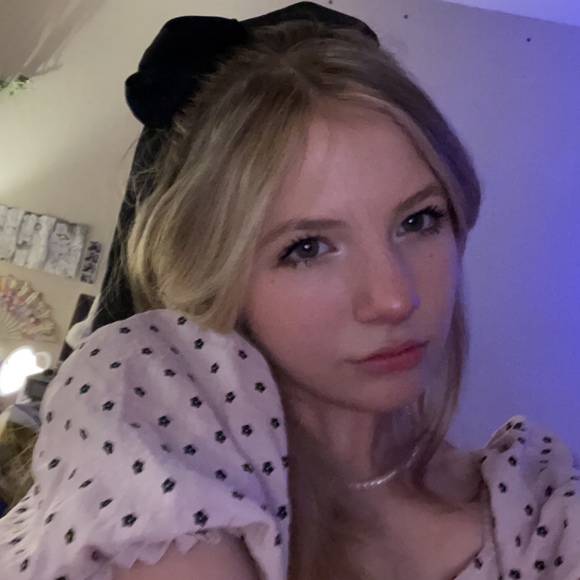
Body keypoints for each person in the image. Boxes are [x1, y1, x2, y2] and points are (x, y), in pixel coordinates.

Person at [0, 4, 578, 580]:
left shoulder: (537, 506)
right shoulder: (143, 425)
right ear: (214, 274)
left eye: (418, 220)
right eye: (306, 248)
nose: (395, 299)